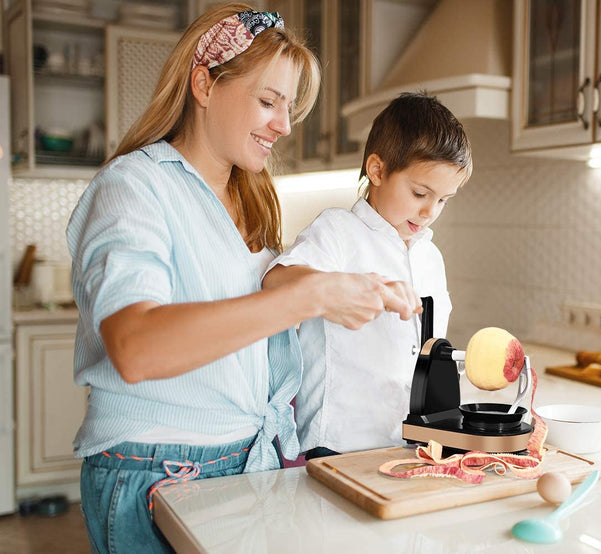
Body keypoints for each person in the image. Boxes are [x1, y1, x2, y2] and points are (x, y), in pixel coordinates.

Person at [66, 4, 419, 553]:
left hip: (246, 463)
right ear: (204, 85)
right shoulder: (134, 187)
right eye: (267, 101)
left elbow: (255, 337)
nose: (284, 124)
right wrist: (310, 295)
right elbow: (135, 347)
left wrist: (351, 292)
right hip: (157, 471)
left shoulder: (249, 198)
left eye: (288, 107)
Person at [263, 92, 473, 461]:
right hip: (340, 442)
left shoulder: (430, 257)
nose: (429, 211)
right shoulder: (338, 232)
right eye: (420, 192)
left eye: (443, 200)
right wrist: (359, 289)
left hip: (410, 442)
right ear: (377, 171)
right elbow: (275, 281)